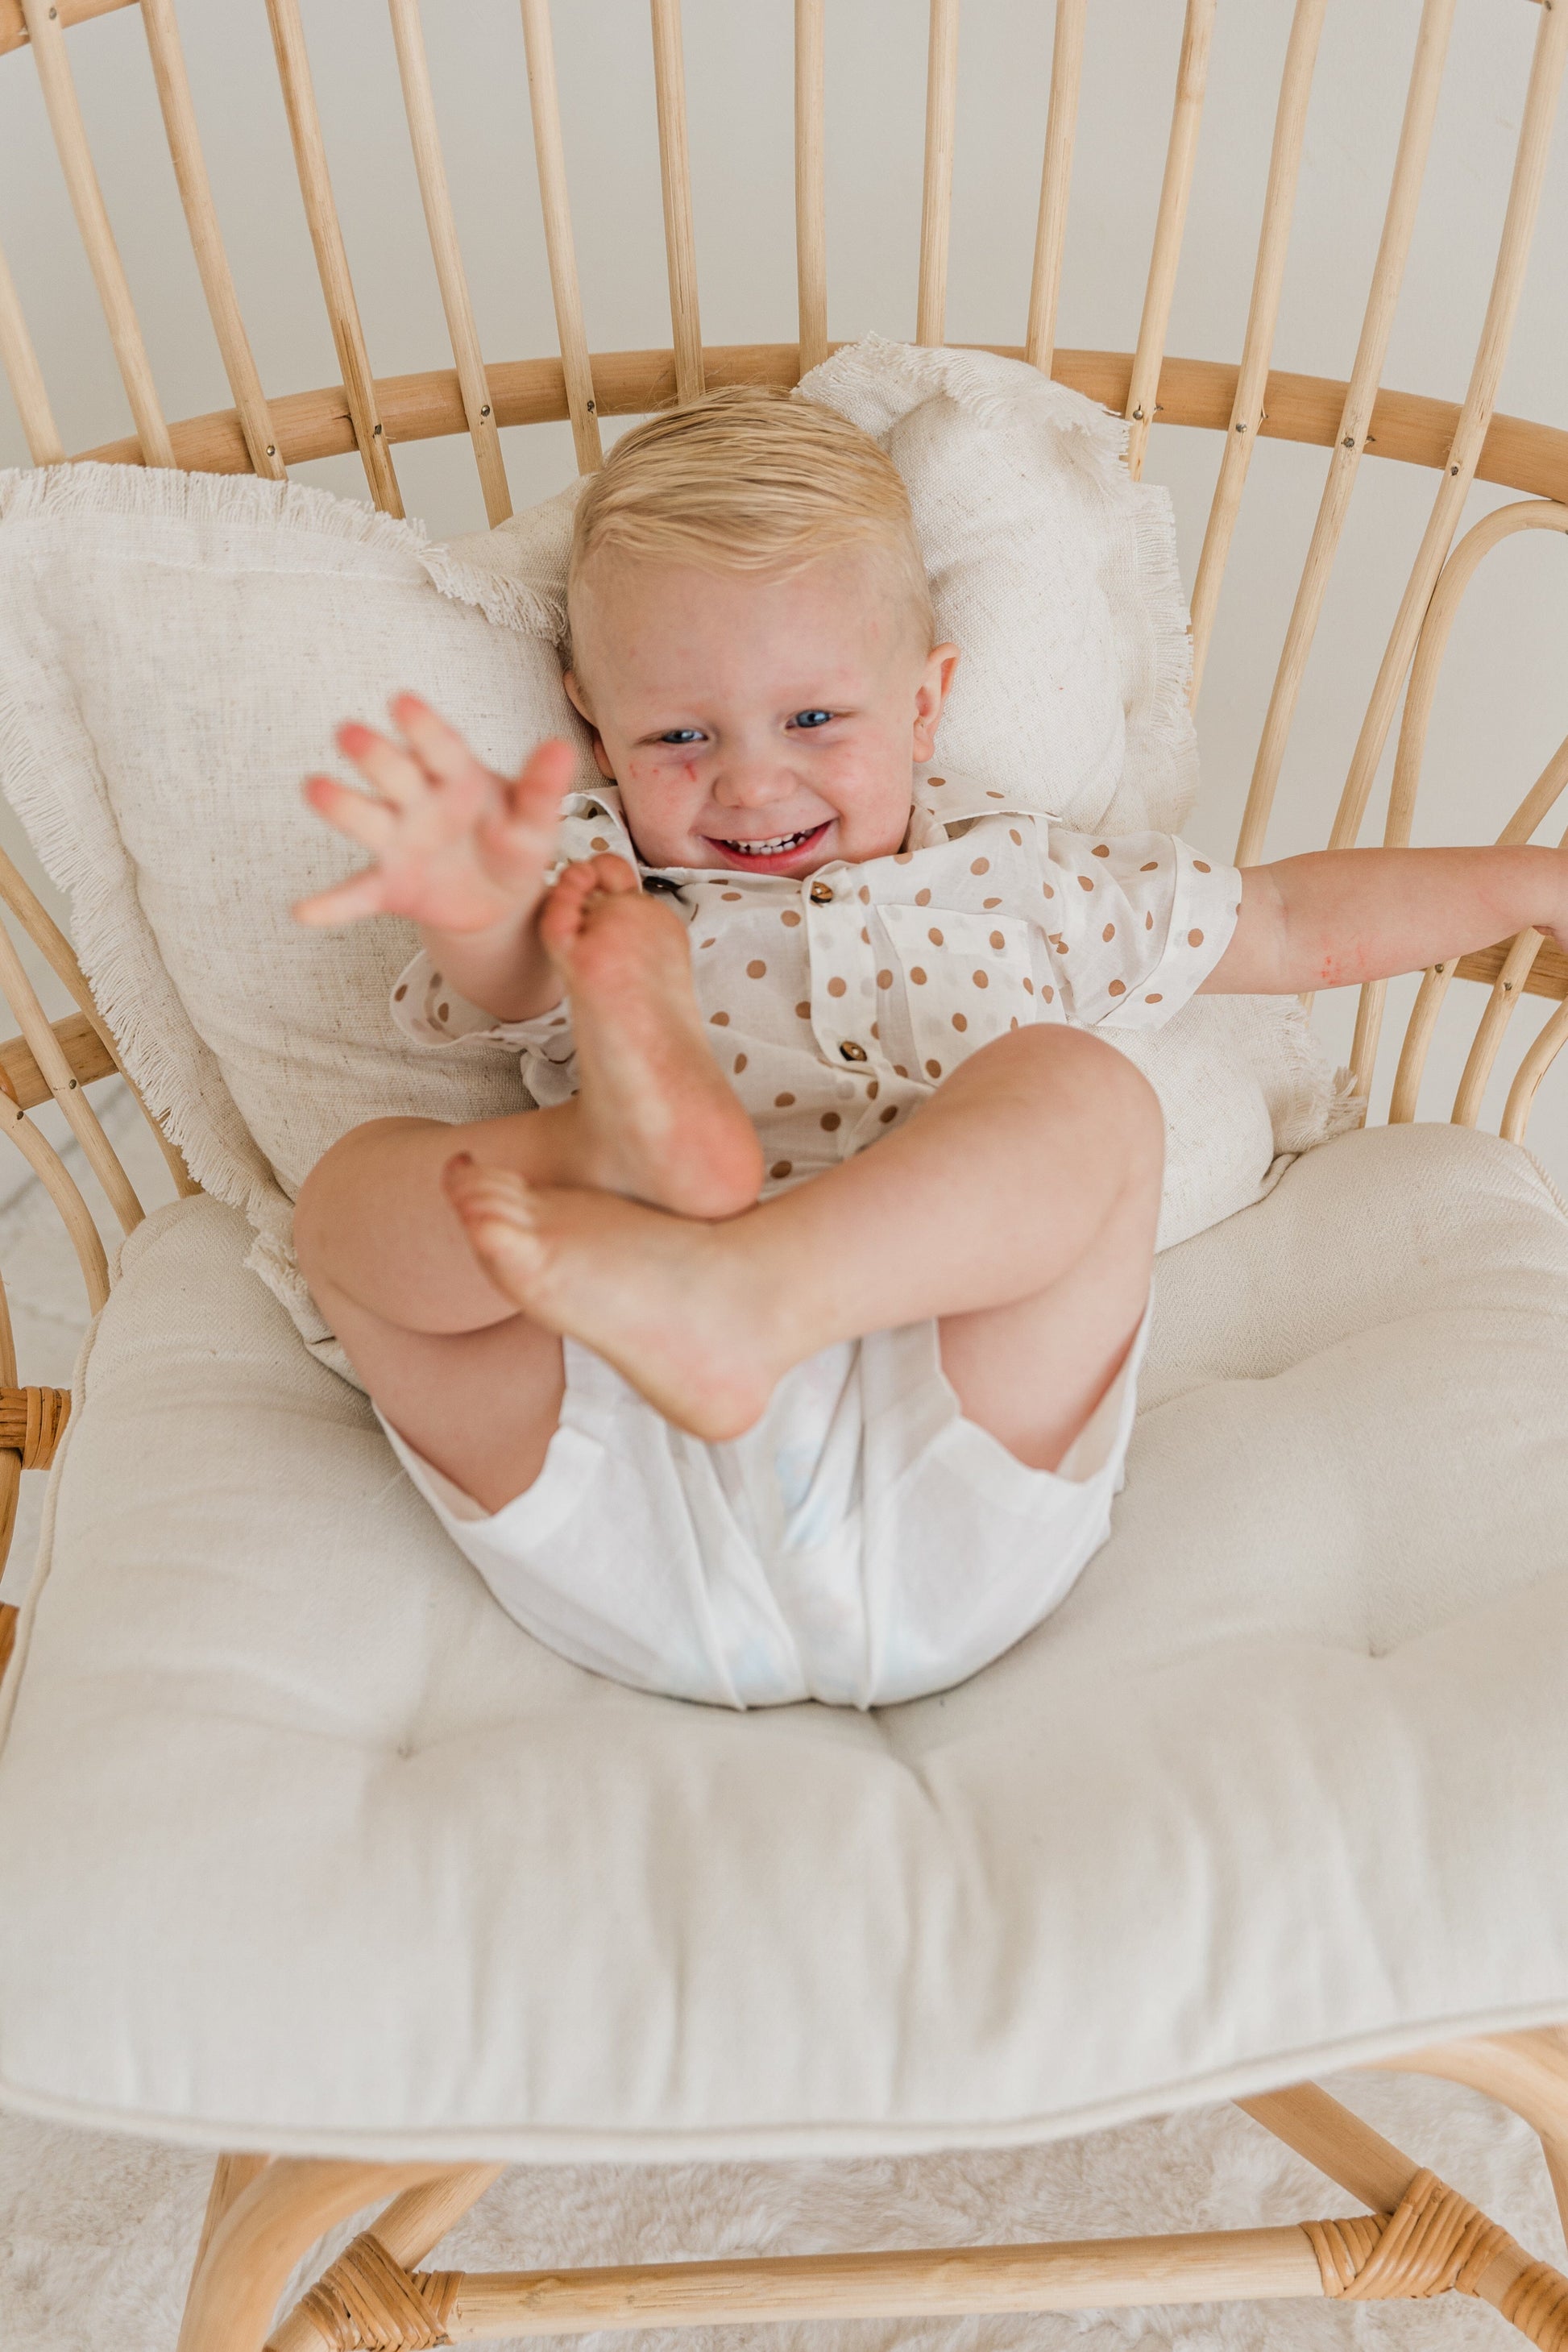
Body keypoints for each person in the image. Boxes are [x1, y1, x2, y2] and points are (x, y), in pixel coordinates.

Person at [292, 388, 1566, 1708]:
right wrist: (468, 904)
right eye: (678, 736)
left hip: (943, 1423)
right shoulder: (602, 881)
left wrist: (1529, 882)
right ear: (592, 722)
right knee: (359, 1185)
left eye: (814, 722)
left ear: (925, 703)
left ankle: (749, 1289)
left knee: (1080, 1094)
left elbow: (1295, 922)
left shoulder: (1016, 879)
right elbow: (503, 983)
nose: (749, 782)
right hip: (611, 1458)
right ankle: (611, 1146)